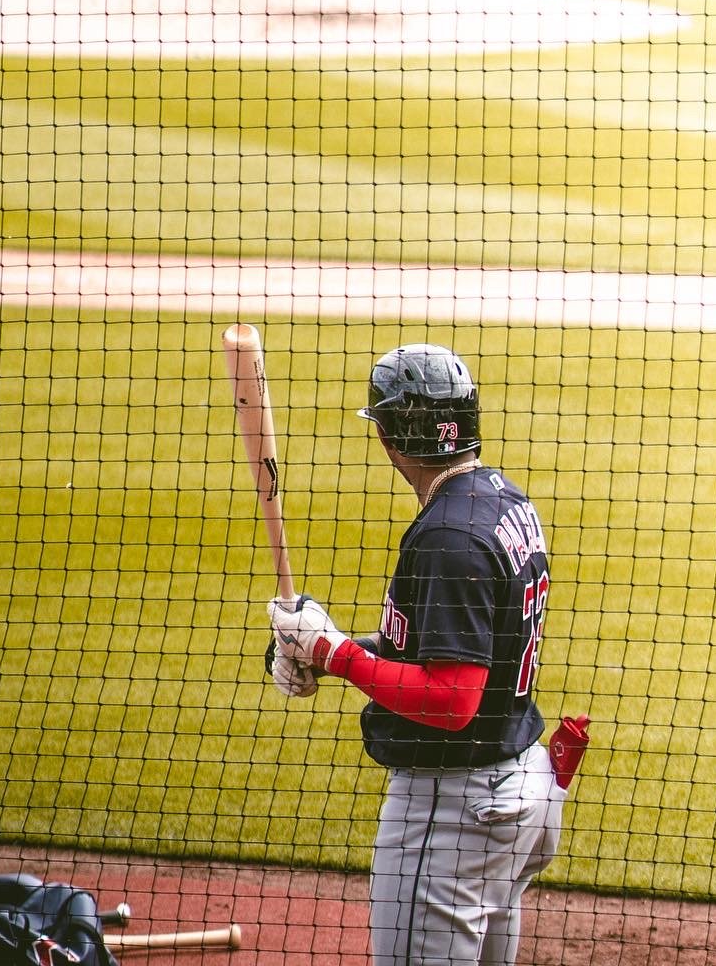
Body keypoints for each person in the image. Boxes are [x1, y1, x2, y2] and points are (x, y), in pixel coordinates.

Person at [268, 344, 583, 966]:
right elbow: (443, 649)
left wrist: (335, 655)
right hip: (516, 787)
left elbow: (451, 701)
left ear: (387, 436)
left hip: (453, 812)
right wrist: (326, 649)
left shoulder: (445, 536)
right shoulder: (502, 500)